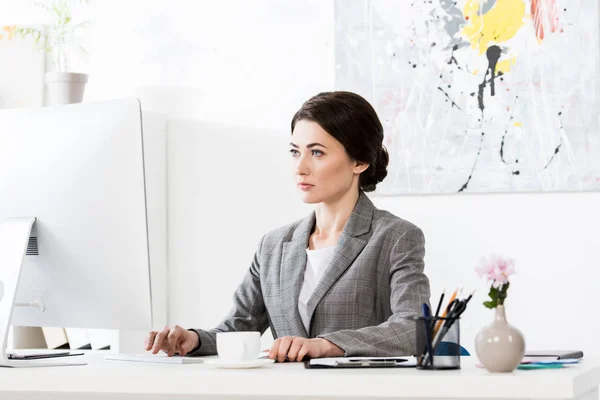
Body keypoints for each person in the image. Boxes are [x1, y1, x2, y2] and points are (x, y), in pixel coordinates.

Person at [145, 91, 431, 362]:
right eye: (295, 152)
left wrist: (326, 345)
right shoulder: (274, 245)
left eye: (317, 153)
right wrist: (193, 340)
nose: (300, 167)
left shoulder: (396, 237)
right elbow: (239, 327)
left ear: (359, 161)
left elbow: (414, 328)